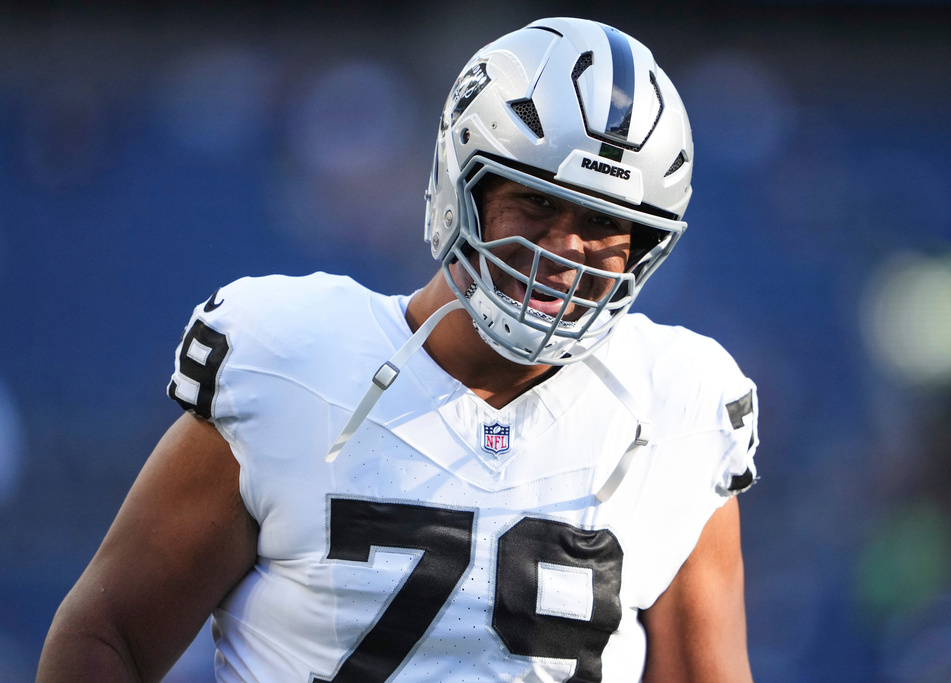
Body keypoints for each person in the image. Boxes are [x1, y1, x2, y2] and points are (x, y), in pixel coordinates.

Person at [38, 16, 759, 683]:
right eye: (537, 201)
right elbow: (108, 633)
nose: (565, 250)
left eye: (604, 222)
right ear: (462, 183)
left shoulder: (678, 409)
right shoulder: (292, 362)